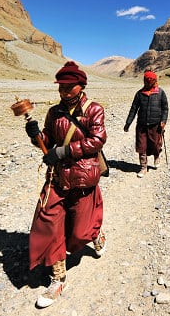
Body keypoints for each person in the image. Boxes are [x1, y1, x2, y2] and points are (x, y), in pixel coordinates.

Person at [23, 61, 107, 308]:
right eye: (61, 87)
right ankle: (58, 279)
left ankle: (95, 234)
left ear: (81, 86)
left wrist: (63, 152)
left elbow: (98, 140)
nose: (64, 91)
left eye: (69, 87)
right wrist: (35, 135)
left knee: (80, 232)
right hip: (57, 178)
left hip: (82, 178)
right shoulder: (54, 112)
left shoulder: (94, 110)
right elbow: (47, 141)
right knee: (48, 224)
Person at [123, 70, 169, 178]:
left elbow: (165, 109)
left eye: (150, 81)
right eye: (146, 81)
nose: (148, 83)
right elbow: (133, 109)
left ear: (154, 81)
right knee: (141, 146)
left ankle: (157, 156)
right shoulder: (139, 94)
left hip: (155, 125)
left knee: (155, 144)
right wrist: (128, 123)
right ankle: (143, 167)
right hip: (142, 125)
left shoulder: (160, 92)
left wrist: (163, 121)